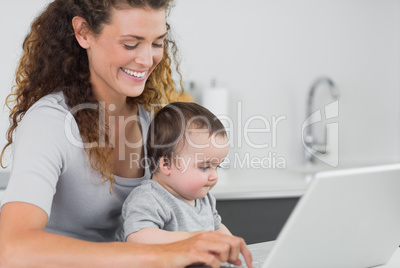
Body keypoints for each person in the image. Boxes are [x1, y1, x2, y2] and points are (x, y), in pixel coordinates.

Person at [0, 1, 252, 267]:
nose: (147, 59)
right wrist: (170, 253)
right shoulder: (50, 122)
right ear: (83, 32)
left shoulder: (150, 120)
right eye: (131, 44)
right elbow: (12, 249)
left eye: (157, 43)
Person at [121, 102, 231, 244]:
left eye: (217, 166)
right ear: (167, 164)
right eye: (204, 167)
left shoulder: (204, 199)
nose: (214, 176)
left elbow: (217, 228)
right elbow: (138, 238)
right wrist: (193, 239)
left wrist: (234, 248)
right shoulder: (149, 198)